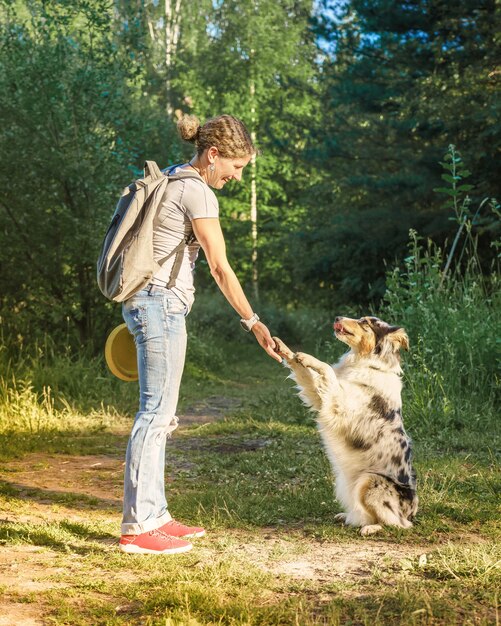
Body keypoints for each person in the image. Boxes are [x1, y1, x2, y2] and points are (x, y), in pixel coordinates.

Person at [119, 114, 281, 555]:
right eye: (236, 165)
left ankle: (157, 515)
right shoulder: (196, 190)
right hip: (159, 304)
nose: (237, 175)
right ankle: (137, 528)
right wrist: (253, 321)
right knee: (154, 414)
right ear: (213, 155)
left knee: (162, 413)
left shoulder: (174, 177)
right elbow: (219, 267)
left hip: (150, 303)